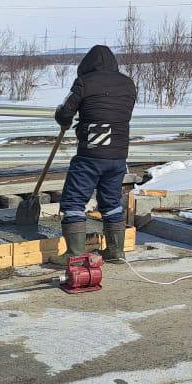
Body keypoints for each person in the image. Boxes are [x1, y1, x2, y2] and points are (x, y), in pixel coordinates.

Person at [51, 45, 138, 264]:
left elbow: (66, 111)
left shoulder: (84, 82)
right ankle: (116, 251)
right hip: (118, 155)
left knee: (73, 201)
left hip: (91, 155)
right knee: (111, 202)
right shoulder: (128, 84)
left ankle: (75, 253)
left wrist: (63, 119)